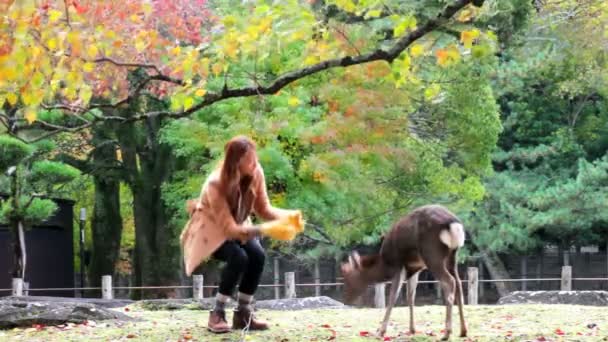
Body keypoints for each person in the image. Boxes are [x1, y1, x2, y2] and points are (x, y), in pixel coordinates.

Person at [187, 136, 296, 333]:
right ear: (236, 161)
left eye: (255, 158)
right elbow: (229, 229)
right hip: (210, 231)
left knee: (258, 255)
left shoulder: (256, 172)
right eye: (250, 160)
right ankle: (217, 313)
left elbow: (264, 209)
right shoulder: (215, 183)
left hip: (240, 224)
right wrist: (269, 229)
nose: (255, 164)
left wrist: (288, 217)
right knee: (238, 257)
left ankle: (243, 313)